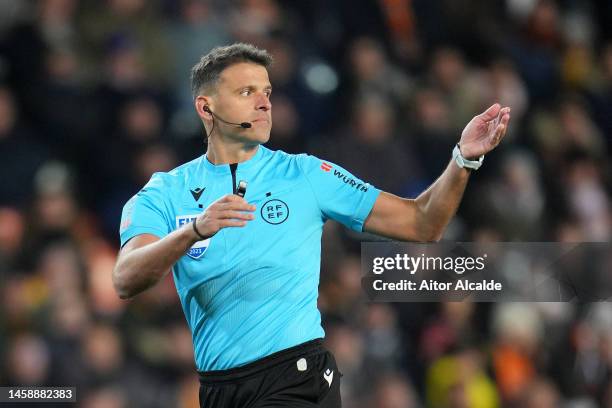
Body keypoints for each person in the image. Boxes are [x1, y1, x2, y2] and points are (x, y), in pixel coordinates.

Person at [112, 43, 511, 408]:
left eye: (267, 92)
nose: (265, 104)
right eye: (246, 93)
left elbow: (422, 223)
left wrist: (463, 159)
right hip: (219, 390)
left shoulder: (304, 173)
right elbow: (126, 278)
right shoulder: (165, 192)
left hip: (296, 377)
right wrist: (193, 231)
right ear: (206, 108)